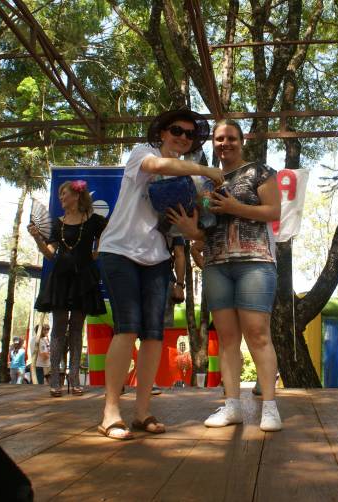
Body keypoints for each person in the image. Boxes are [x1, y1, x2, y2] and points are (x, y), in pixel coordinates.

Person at [96, 108, 223, 440]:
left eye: (189, 134)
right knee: (127, 327)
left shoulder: (192, 180)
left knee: (154, 334)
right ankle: (110, 412)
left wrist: (198, 221)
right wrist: (205, 169)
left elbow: (199, 223)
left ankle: (142, 412)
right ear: (162, 132)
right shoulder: (144, 153)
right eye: (176, 130)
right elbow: (158, 167)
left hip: (157, 258)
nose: (182, 137)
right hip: (119, 251)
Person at [169, 119, 283, 431]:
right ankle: (232, 405)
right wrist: (191, 231)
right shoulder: (205, 183)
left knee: (258, 334)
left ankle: (270, 407)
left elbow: (274, 211)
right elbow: (206, 230)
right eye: (219, 139)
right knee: (227, 338)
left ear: (241, 141)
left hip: (255, 262)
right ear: (213, 144)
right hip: (216, 263)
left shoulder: (259, 171)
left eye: (231, 138)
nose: (225, 144)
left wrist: (235, 206)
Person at [28, 180, 107, 397]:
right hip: (61, 278)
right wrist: (37, 238)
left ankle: (74, 377)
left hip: (84, 279)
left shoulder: (94, 221)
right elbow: (50, 253)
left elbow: (110, 232)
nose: (61, 197)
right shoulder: (57, 223)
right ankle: (55, 377)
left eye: (64, 194)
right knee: (59, 327)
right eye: (60, 194)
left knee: (77, 328)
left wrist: (98, 251)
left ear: (77, 196)